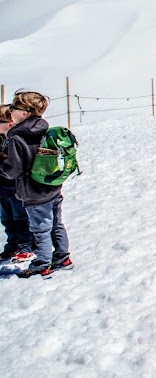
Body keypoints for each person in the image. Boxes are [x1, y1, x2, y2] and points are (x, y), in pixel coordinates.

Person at [0, 91, 73, 278]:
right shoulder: (44, 130)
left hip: (33, 193)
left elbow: (12, 170)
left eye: (14, 109)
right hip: (52, 188)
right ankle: (62, 257)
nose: (11, 112)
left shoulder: (18, 138)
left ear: (24, 113)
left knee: (40, 229)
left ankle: (42, 264)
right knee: (56, 223)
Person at [0, 104, 34, 263]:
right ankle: (12, 245)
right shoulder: (3, 139)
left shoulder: (16, 140)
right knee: (6, 218)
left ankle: (26, 246)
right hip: (2, 187)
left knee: (20, 217)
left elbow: (16, 164)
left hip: (15, 187)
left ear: (10, 122)